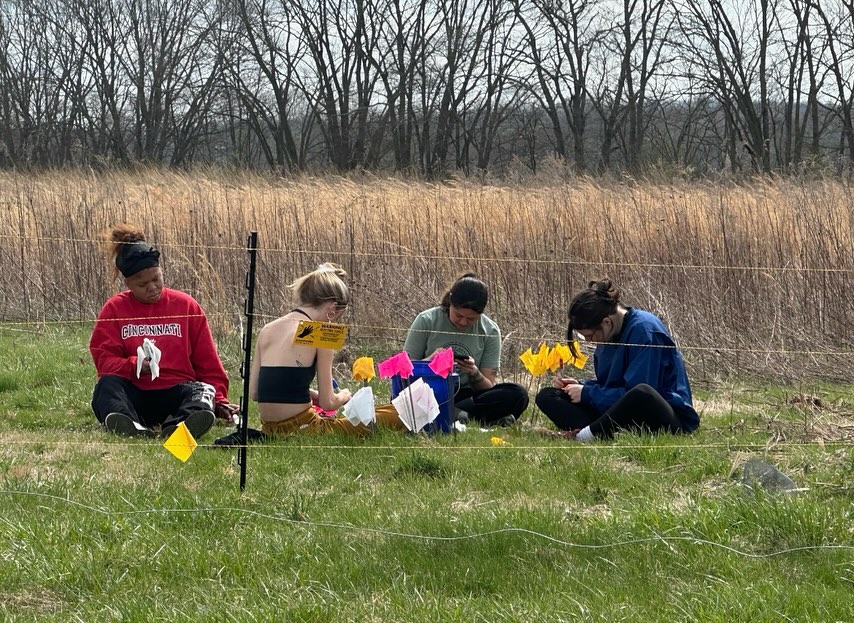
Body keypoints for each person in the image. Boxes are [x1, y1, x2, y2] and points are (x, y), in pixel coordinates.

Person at [89, 224, 238, 439]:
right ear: (128, 283)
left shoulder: (186, 306)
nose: (152, 287)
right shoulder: (114, 309)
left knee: (204, 391)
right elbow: (104, 362)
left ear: (161, 271)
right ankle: (129, 425)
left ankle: (180, 429)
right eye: (143, 284)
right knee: (106, 386)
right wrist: (135, 365)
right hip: (135, 392)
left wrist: (220, 400)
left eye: (156, 279)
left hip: (177, 391)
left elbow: (207, 361)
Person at [248, 263, 405, 437]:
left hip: (270, 429)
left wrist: (307, 393)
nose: (333, 323)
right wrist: (345, 395)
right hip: (304, 429)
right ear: (332, 308)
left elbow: (255, 392)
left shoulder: (268, 329)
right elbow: (329, 403)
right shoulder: (320, 332)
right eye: (337, 317)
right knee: (395, 413)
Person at [535, 279, 700, 441]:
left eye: (589, 335)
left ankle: (584, 436)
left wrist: (587, 393)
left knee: (642, 393)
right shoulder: (608, 333)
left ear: (606, 322)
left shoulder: (645, 331)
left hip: (663, 415)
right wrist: (582, 386)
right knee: (548, 396)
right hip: (621, 410)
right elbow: (611, 385)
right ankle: (599, 432)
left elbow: (637, 394)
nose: (589, 341)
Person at [403, 274, 529, 427]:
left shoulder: (489, 330)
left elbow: (489, 386)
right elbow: (403, 373)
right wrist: (429, 363)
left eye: (471, 319)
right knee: (405, 401)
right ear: (450, 302)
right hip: (430, 390)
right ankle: (478, 418)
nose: (463, 322)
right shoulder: (426, 320)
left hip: (466, 395)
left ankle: (457, 414)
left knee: (518, 394)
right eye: (458, 315)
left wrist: (474, 373)